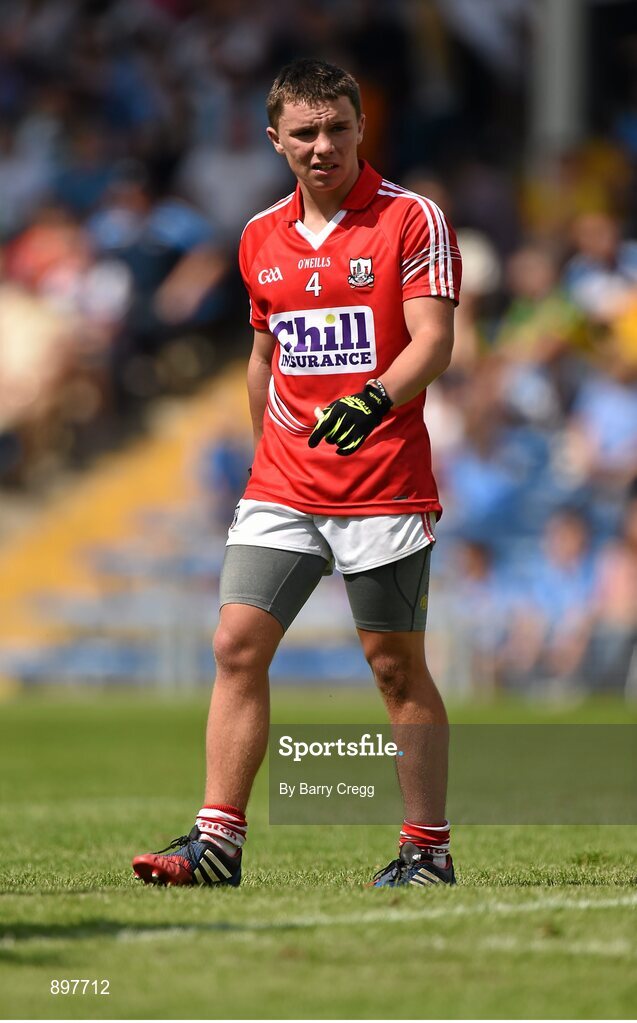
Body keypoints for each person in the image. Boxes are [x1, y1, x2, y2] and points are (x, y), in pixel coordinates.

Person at [132, 58, 462, 889]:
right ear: (275, 139)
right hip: (282, 482)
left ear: (361, 128)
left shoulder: (411, 218)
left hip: (382, 480)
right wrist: (258, 462)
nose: (324, 146)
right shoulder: (256, 236)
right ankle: (216, 845)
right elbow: (262, 358)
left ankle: (426, 848)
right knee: (236, 644)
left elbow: (433, 339)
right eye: (306, 133)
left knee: (392, 666)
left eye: (338, 128)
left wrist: (374, 396)